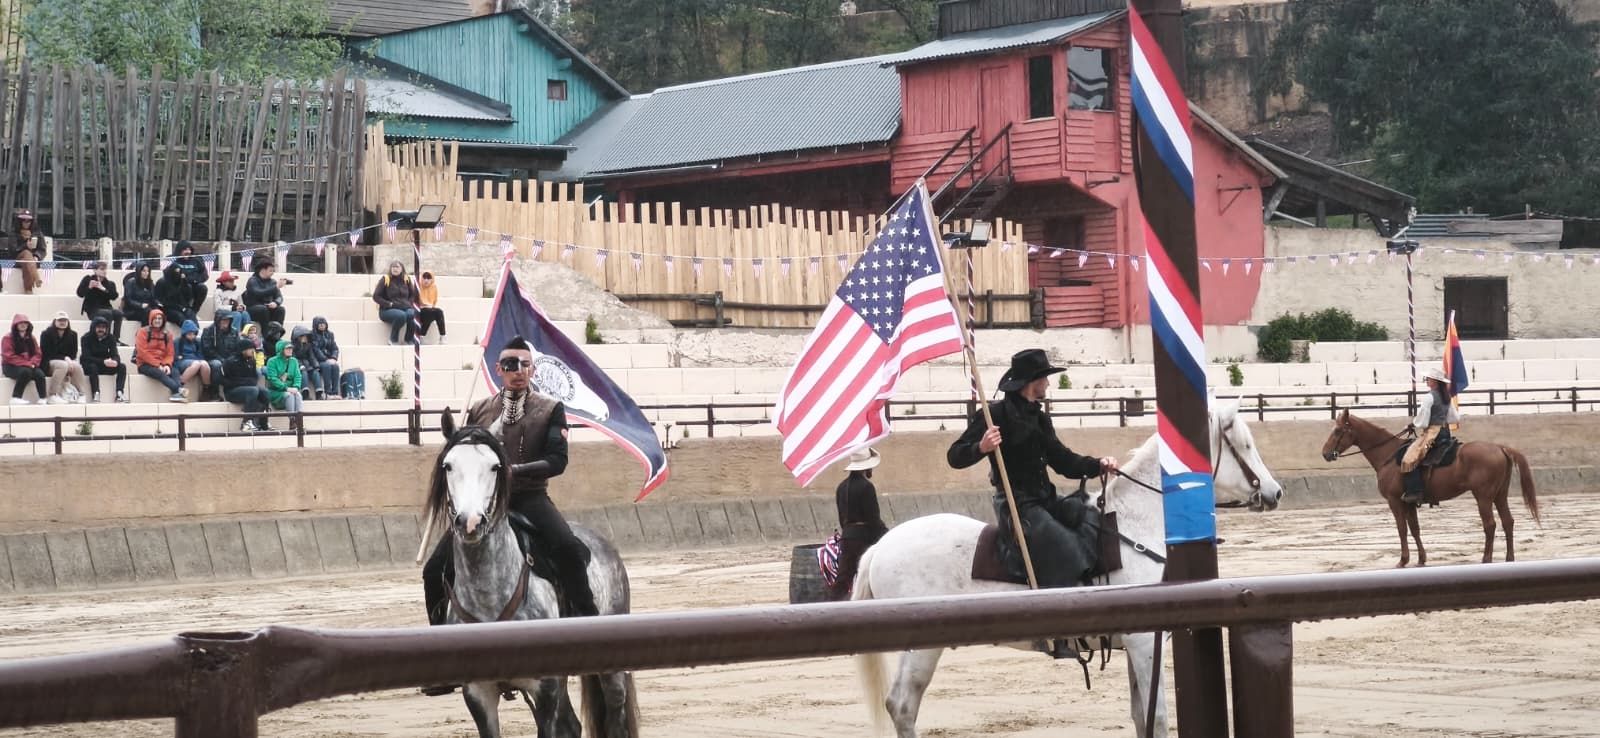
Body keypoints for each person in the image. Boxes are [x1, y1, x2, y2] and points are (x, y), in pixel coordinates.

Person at [422, 337, 598, 637]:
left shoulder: (550, 408)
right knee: (433, 570)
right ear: (498, 369)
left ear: (532, 369)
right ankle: (442, 649)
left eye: (524, 365)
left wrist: (511, 471)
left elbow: (557, 460)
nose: (518, 371)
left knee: (569, 548)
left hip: (529, 497)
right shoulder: (479, 409)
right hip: (485, 502)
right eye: (510, 365)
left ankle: (592, 627)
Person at [947, 349, 1120, 592]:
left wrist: (1098, 465)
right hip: (1016, 505)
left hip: (1045, 500)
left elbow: (1063, 460)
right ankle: (1060, 613)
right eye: (1045, 378)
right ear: (1032, 382)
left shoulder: (1040, 419)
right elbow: (955, 455)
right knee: (1064, 546)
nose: (1048, 383)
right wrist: (981, 447)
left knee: (1091, 519)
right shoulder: (994, 415)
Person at [828, 446, 889, 601]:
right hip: (864, 538)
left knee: (843, 578)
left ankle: (830, 607)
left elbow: (842, 518)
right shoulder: (867, 487)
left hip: (847, 537)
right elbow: (873, 518)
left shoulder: (841, 487)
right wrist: (887, 535)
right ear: (867, 466)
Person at [1401, 366, 1461, 504]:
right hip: (1445, 432)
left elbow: (1422, 420)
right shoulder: (1447, 397)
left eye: (1428, 378)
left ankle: (1415, 491)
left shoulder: (1429, 397)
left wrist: (1413, 424)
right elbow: (1454, 418)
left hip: (1433, 434)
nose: (1426, 380)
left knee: (1409, 458)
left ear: (1434, 381)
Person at [133, 311, 187, 403]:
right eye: (155, 318)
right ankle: (179, 390)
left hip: (162, 363)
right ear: (151, 319)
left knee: (175, 371)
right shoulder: (142, 332)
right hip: (145, 364)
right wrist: (157, 365)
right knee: (160, 373)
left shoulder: (167, 334)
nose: (157, 321)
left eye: (160, 319)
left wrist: (167, 365)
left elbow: (170, 353)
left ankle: (176, 394)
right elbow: (142, 352)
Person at [220, 340, 270, 432]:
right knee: (253, 390)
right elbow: (223, 380)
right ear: (243, 350)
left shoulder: (251, 361)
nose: (252, 351)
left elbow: (254, 379)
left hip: (247, 389)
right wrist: (245, 382)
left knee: (265, 392)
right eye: (250, 349)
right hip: (232, 391)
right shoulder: (231, 362)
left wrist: (247, 382)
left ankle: (264, 423)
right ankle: (246, 422)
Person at [39, 312, 86, 404]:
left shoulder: (73, 335)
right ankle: (52, 394)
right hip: (49, 362)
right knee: (63, 365)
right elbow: (47, 353)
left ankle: (82, 394)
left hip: (66, 361)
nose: (62, 322)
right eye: (60, 320)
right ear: (55, 321)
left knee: (77, 366)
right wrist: (65, 358)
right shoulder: (46, 334)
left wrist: (69, 360)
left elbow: (73, 354)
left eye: (64, 320)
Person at [80, 315, 127, 402]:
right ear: (93, 327)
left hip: (105, 364)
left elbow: (115, 354)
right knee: (92, 367)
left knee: (122, 367)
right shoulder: (86, 338)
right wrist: (103, 361)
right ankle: (96, 393)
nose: (101, 329)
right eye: (98, 327)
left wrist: (115, 361)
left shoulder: (111, 338)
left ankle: (119, 393)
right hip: (90, 364)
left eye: (103, 327)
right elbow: (86, 357)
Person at [1, 313, 47, 404]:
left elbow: (38, 353)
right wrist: (28, 364)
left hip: (29, 365)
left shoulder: (31, 338)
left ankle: (43, 398)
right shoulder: (7, 338)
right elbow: (8, 356)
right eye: (20, 323)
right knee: (25, 372)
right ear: (15, 325)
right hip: (10, 366)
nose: (23, 325)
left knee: (40, 374)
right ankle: (15, 397)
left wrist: (33, 363)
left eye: (25, 323)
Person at [75, 262, 125, 343]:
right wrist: (89, 287)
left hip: (107, 307)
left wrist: (103, 289)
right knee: (107, 313)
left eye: (105, 269)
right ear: (95, 270)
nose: (104, 271)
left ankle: (116, 339)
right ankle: (106, 338)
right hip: (92, 309)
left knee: (118, 313)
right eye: (101, 269)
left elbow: (114, 296)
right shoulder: (88, 279)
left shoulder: (109, 283)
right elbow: (80, 294)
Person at [372, 261, 418, 345]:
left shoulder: (406, 279)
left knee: (412, 314)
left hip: (404, 307)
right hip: (387, 310)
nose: (395, 269)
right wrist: (389, 304)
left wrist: (409, 304)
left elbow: (413, 294)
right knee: (401, 315)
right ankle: (393, 339)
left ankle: (409, 339)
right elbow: (376, 296)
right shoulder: (385, 279)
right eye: (393, 267)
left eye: (397, 267)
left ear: (402, 269)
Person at [263, 338, 305, 427]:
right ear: (281, 350)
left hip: (291, 389)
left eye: (291, 348)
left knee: (298, 395)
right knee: (289, 395)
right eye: (287, 348)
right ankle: (292, 420)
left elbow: (298, 376)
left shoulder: (294, 361)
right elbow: (273, 379)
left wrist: (296, 387)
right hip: (276, 391)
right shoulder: (272, 361)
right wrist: (286, 388)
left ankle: (298, 421)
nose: (290, 350)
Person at [199, 311, 238, 394]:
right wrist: (221, 359)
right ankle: (213, 392)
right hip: (213, 358)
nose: (226, 323)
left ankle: (235, 390)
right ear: (218, 321)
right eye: (223, 321)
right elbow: (207, 349)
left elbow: (237, 348)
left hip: (229, 358)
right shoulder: (208, 331)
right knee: (217, 365)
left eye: (227, 321)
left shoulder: (234, 332)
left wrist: (230, 359)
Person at [173, 320, 213, 399]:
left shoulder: (197, 342)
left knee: (204, 364)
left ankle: (207, 389)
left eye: (194, 334)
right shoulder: (178, 342)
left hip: (195, 361)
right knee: (196, 364)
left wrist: (199, 360)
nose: (192, 336)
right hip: (182, 361)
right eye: (189, 334)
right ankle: (180, 385)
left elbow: (200, 355)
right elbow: (175, 357)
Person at [243, 261, 288, 327]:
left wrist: (276, 303)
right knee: (263, 309)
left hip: (268, 307)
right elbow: (258, 293)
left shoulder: (272, 282)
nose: (272, 273)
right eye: (270, 271)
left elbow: (279, 297)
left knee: (280, 309)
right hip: (254, 307)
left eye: (273, 271)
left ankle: (276, 332)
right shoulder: (252, 280)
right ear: (263, 270)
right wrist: (275, 287)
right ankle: (266, 332)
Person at [171, 241, 209, 314]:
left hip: (195, 286)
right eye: (185, 250)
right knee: (186, 287)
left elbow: (204, 275)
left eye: (189, 250)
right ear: (179, 251)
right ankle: (185, 309)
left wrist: (192, 279)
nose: (188, 252)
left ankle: (194, 311)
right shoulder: (175, 263)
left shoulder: (197, 261)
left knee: (203, 287)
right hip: (181, 289)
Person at [155, 262, 197, 328]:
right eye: (175, 272)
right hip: (167, 309)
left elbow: (188, 297)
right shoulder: (162, 282)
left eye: (179, 272)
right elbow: (160, 301)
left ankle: (196, 332)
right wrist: (179, 307)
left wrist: (185, 283)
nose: (177, 274)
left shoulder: (181, 281)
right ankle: (189, 331)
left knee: (191, 314)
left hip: (181, 307)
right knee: (179, 316)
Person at [309, 316, 341, 399]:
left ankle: (335, 392)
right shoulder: (312, 335)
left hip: (328, 359)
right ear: (315, 325)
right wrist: (326, 359)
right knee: (326, 366)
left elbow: (335, 348)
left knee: (335, 366)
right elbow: (316, 350)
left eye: (323, 324)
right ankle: (328, 392)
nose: (322, 325)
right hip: (317, 360)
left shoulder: (330, 334)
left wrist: (334, 358)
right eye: (319, 324)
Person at [417, 271, 447, 342]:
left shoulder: (434, 287)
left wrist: (429, 306)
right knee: (430, 312)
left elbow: (434, 300)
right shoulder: (418, 286)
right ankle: (421, 335)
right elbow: (416, 301)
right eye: (424, 278)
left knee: (438, 312)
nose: (426, 280)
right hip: (419, 309)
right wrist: (425, 305)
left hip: (429, 309)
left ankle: (442, 335)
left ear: (432, 279)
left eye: (428, 278)